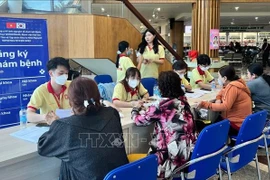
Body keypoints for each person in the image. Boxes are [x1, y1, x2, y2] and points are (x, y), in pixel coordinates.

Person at [38, 77, 129, 180]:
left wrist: (55, 123)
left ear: (71, 102)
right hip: (120, 177)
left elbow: (42, 147)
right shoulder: (112, 113)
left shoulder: (65, 126)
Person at [131, 71, 196, 179]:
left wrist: (135, 109)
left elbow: (138, 120)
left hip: (169, 160)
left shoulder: (161, 105)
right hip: (187, 155)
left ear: (162, 87)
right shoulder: (183, 101)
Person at [198, 65, 252, 136]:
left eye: (219, 76)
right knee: (212, 121)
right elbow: (223, 90)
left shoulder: (233, 87)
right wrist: (218, 98)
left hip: (236, 124)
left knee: (205, 129)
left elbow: (225, 106)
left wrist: (205, 104)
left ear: (225, 78)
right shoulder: (237, 83)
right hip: (243, 121)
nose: (218, 78)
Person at [27, 57, 71, 123]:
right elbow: (29, 116)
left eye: (66, 73)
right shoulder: (41, 91)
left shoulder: (72, 86)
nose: (65, 76)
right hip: (50, 128)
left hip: (69, 125)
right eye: (61, 73)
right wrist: (45, 117)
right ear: (51, 73)